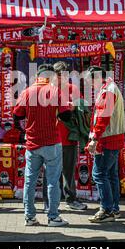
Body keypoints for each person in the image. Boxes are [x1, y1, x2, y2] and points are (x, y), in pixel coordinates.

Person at [13, 64, 72, 227]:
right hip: (52, 142)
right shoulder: (55, 92)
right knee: (53, 180)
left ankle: (29, 217)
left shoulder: (27, 92)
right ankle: (53, 217)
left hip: (32, 143)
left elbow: (17, 115)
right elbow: (67, 116)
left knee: (30, 181)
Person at [85, 66, 125, 223]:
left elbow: (103, 116)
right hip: (114, 138)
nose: (90, 85)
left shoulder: (107, 90)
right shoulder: (111, 87)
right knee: (111, 175)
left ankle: (107, 210)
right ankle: (113, 209)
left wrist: (95, 138)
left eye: (89, 81)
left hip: (107, 140)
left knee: (99, 174)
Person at [52, 61, 87, 211]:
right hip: (52, 138)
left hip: (68, 138)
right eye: (60, 75)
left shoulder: (73, 89)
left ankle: (71, 198)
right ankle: (53, 201)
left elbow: (84, 108)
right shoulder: (48, 90)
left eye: (65, 75)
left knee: (68, 170)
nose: (63, 78)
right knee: (53, 171)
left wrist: (75, 108)